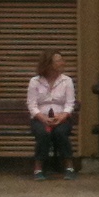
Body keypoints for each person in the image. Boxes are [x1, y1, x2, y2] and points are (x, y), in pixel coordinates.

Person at [26, 49, 77, 179]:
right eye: (58, 61)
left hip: (61, 118)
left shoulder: (67, 81)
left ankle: (69, 167)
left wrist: (63, 115)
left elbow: (70, 103)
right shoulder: (35, 81)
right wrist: (41, 117)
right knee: (43, 133)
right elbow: (32, 104)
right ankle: (38, 168)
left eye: (61, 60)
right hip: (40, 118)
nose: (62, 63)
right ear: (48, 64)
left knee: (60, 132)